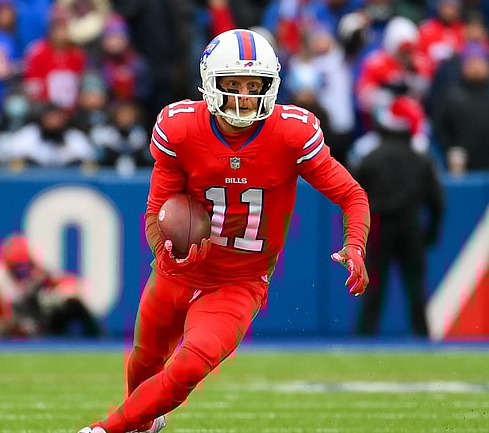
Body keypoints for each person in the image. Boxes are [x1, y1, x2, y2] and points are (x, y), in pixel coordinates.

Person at [78, 28, 370, 433]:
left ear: (272, 86)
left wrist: (355, 245)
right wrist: (167, 253)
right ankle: (141, 425)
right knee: (145, 359)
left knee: (190, 364)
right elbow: (156, 210)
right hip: (178, 272)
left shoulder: (291, 133)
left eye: (255, 85)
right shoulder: (180, 129)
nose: (244, 97)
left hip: (239, 279)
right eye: (233, 85)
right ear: (210, 85)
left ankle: (105, 429)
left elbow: (352, 195)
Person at [349, 96, 444, 338]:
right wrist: (431, 233)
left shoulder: (372, 157)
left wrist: (357, 233)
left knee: (374, 286)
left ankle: (364, 337)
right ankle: (422, 336)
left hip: (379, 226)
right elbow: (437, 201)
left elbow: (351, 195)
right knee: (415, 285)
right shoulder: (420, 159)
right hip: (410, 225)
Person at [0, 235, 102, 341]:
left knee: (70, 303)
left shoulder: (34, 270)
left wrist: (66, 289)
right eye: (18, 268)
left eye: (25, 266)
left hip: (32, 322)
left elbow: (68, 281)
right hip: (4, 330)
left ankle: (99, 342)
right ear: (6, 265)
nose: (23, 272)